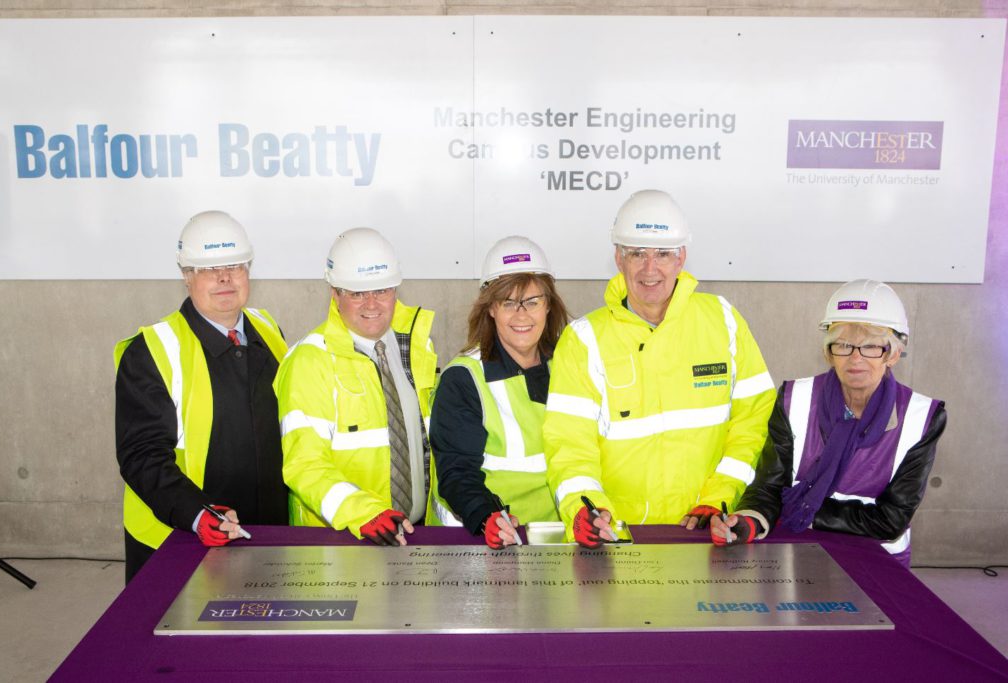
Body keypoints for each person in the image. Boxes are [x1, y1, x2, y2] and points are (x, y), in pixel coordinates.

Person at [543, 189, 775, 547]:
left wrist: (719, 498)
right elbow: (569, 445)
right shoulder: (584, 339)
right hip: (618, 538)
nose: (650, 269)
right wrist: (584, 510)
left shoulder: (723, 320)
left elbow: (753, 423)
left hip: (707, 532)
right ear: (618, 258)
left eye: (663, 254)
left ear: (681, 258)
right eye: (637, 253)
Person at [711, 279, 946, 568]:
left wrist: (800, 508)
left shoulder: (922, 417)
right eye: (844, 345)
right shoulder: (793, 398)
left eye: (871, 346)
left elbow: (890, 520)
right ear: (828, 351)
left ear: (894, 354)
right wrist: (749, 522)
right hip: (796, 558)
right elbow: (768, 487)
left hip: (878, 563)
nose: (856, 358)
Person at [114, 211, 289, 582]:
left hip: (266, 534)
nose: (225, 278)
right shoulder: (152, 350)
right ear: (185, 275)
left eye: (235, 266)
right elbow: (141, 456)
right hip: (179, 539)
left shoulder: (268, 329)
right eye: (209, 269)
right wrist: (197, 513)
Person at [275, 228, 437, 546]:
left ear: (395, 289)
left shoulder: (416, 346)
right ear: (335, 294)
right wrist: (362, 513)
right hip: (344, 539)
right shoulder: (310, 359)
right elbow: (304, 464)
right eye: (357, 293)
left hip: (417, 534)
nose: (372, 304)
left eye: (381, 290)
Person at [428, 237, 569, 548]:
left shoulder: (571, 366)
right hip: (481, 544)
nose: (522, 315)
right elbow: (456, 470)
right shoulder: (464, 379)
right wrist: (486, 515)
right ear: (490, 308)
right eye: (508, 302)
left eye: (532, 301)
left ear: (548, 305)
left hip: (557, 541)